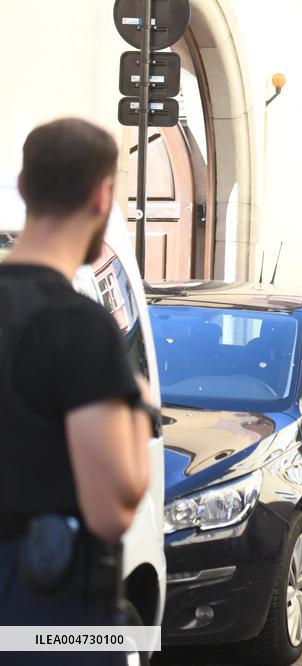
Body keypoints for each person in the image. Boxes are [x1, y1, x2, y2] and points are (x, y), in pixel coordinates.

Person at [0, 119, 156, 665]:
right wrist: (140, 410)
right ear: (101, 196)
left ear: (23, 187)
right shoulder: (78, 325)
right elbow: (112, 509)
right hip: (48, 620)